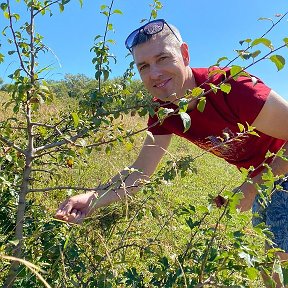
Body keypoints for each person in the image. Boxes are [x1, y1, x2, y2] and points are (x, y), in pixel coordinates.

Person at [55, 19, 288, 286]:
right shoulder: (163, 112)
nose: (154, 73)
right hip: (269, 183)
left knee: (280, 264)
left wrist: (251, 187)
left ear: (185, 54)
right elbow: (139, 173)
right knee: (272, 266)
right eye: (143, 66)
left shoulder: (233, 88)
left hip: (278, 175)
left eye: (163, 58)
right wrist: (93, 198)